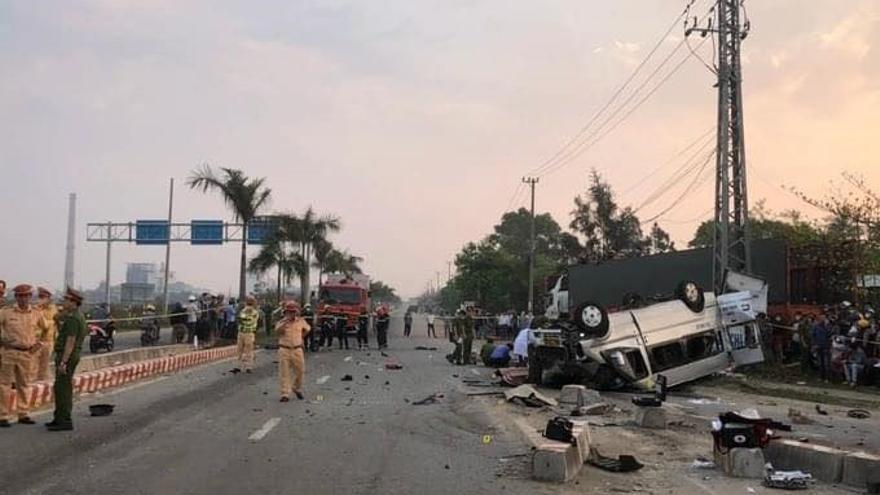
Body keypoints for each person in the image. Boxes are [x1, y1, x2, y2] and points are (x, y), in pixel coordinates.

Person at [0, 284, 49, 427]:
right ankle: (3, 415)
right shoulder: (6, 312)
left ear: (30, 297)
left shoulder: (36, 313)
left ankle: (23, 413)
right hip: (9, 351)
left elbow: (46, 329)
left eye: (26, 295)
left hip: (27, 353)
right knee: (4, 385)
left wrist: (39, 344)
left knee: (24, 384)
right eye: (20, 296)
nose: (23, 298)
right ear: (16, 297)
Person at [46, 288, 88, 432]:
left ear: (73, 302)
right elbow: (56, 318)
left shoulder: (73, 319)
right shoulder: (74, 316)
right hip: (68, 355)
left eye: (66, 300)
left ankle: (64, 420)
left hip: (67, 356)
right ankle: (59, 418)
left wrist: (63, 362)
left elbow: (70, 342)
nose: (63, 302)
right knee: (60, 387)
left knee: (63, 389)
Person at [275, 301, 311, 402]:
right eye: (289, 312)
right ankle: (285, 393)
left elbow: (308, 329)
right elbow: (277, 331)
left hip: (297, 349)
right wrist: (285, 322)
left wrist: (301, 337)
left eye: (293, 312)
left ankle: (296, 387)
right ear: (285, 312)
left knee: (300, 371)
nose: (291, 314)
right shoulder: (281, 322)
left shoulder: (301, 321)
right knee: (284, 372)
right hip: (284, 349)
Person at [34, 287, 59, 382]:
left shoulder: (51, 309)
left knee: (43, 367)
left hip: (47, 341)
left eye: (42, 297)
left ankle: (45, 385)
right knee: (35, 366)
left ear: (48, 298)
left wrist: (38, 312)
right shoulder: (38, 308)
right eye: (39, 296)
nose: (40, 299)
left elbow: (45, 325)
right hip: (35, 341)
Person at [236, 296, 260, 373]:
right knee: (244, 349)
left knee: (245, 349)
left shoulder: (253, 312)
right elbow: (240, 318)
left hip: (248, 332)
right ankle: (244, 366)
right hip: (244, 332)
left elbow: (243, 318)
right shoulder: (245, 311)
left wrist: (244, 313)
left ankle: (246, 366)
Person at [812, 313, 832, 382]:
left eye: (824, 318)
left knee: (826, 363)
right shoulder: (816, 326)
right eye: (821, 318)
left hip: (826, 346)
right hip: (818, 346)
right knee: (820, 363)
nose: (822, 319)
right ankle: (820, 377)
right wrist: (814, 345)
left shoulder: (827, 326)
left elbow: (830, 334)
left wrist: (827, 326)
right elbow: (813, 336)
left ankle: (827, 378)